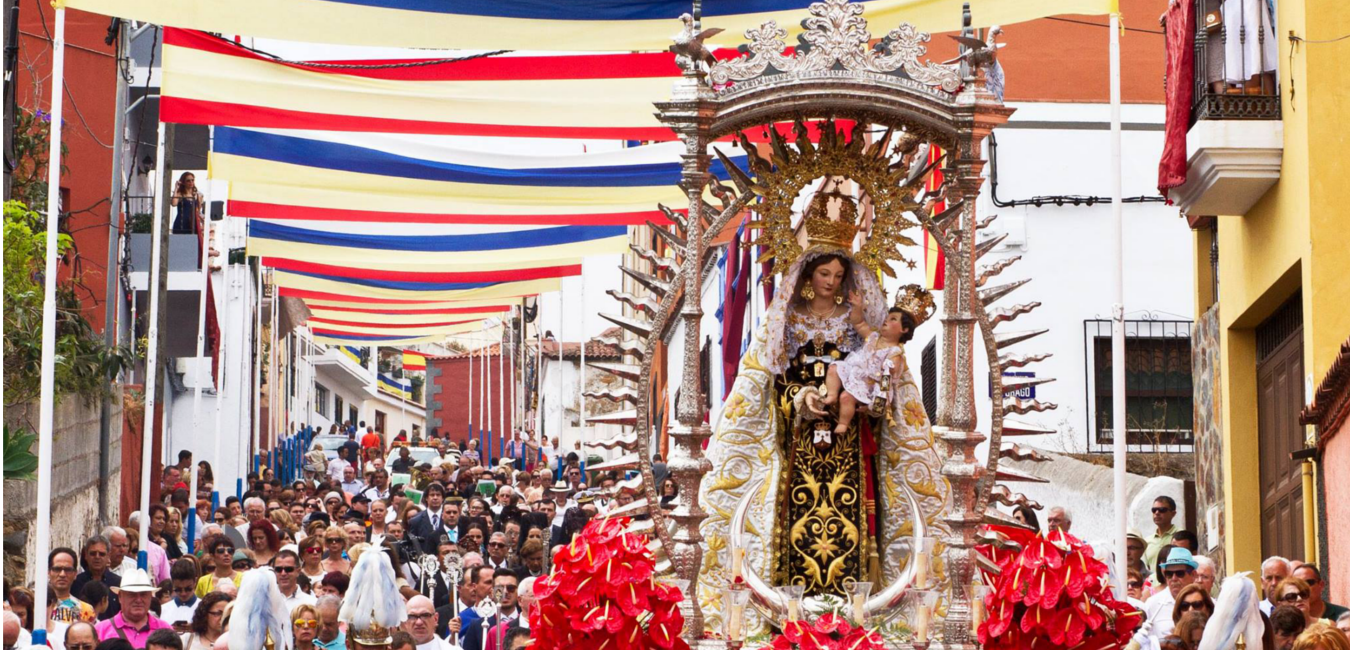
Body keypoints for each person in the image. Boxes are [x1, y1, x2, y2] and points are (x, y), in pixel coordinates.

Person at [1136, 547, 1199, 650]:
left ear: (1193, 575)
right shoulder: (1152, 604)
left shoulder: (1205, 603)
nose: (1174, 578)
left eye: (1179, 573)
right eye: (1169, 574)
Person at [95, 568, 172, 645]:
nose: (138, 600)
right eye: (132, 594)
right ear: (120, 597)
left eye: (143, 594)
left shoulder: (165, 629)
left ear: (150, 597)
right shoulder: (101, 630)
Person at [461, 569, 519, 650]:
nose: (505, 592)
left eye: (511, 588)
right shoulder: (477, 626)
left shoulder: (528, 622)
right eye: (499, 588)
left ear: (518, 591)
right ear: (492, 592)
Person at [73, 536, 122, 620]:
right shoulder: (75, 583)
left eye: (102, 554)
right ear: (86, 555)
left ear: (108, 556)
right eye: (93, 553)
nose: (97, 557)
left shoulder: (119, 583)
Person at [50, 547, 98, 623]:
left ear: (75, 574)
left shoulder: (84, 610)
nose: (62, 574)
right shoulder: (35, 605)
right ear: (48, 572)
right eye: (57, 569)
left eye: (68, 570)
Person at [161, 559, 200, 632]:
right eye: (178, 589)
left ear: (195, 581)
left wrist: (197, 629)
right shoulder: (162, 610)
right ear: (172, 583)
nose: (183, 593)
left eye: (188, 589)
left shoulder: (205, 609)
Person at [1145, 497, 1180, 572]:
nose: (1157, 513)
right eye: (1154, 510)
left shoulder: (1181, 535)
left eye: (1162, 510)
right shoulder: (1147, 541)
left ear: (1173, 513)